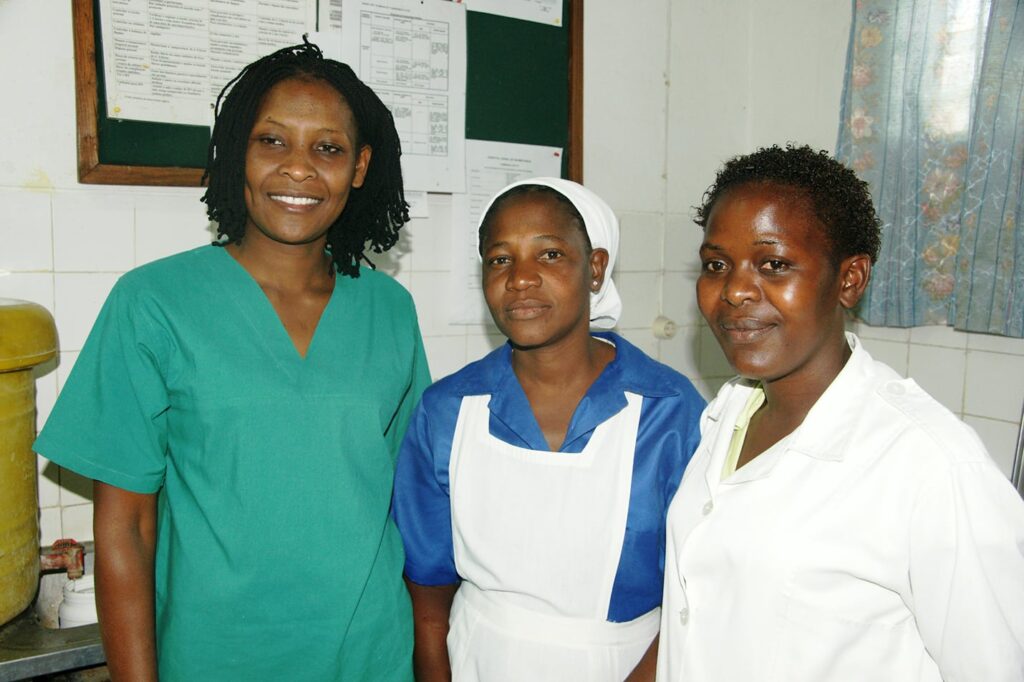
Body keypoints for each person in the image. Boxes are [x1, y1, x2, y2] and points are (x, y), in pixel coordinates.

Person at [34, 41, 430, 680]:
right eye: (272, 141)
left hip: (371, 655)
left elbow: (409, 502)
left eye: (327, 148)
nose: (298, 169)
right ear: (235, 154)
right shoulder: (155, 303)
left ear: (359, 167)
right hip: (218, 656)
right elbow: (125, 529)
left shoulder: (389, 310)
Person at [656, 144, 1024, 681]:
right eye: (717, 265)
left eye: (773, 264)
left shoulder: (932, 465)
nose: (734, 290)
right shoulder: (728, 416)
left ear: (849, 280)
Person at [393, 178, 706, 681]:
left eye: (550, 254)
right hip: (479, 659)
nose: (520, 278)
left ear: (596, 268)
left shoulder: (669, 412)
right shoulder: (448, 410)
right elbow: (427, 589)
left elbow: (698, 595)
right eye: (500, 259)